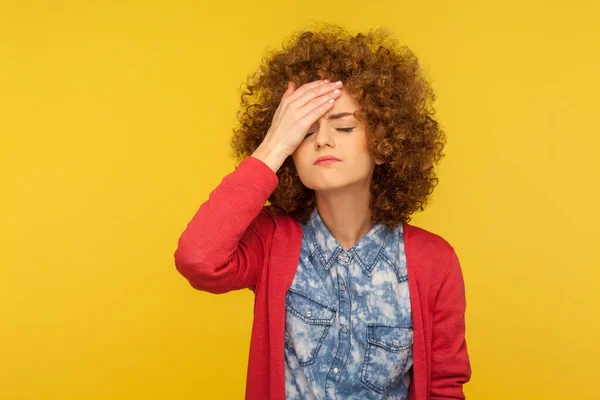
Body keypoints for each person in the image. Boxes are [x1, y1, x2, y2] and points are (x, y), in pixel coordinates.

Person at [174, 23, 471, 400]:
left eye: (344, 127)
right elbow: (198, 259)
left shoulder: (434, 262)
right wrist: (273, 145)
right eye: (305, 131)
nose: (323, 140)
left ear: (384, 143)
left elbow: (444, 388)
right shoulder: (272, 242)